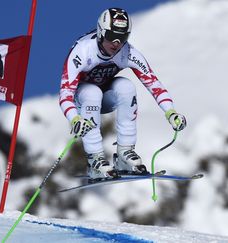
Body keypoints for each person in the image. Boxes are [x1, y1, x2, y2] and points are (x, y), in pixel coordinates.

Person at [59, 8, 186, 179]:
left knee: (126, 87)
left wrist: (170, 112)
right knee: (92, 91)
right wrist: (74, 118)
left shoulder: (128, 52)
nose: (117, 43)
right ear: (101, 33)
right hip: (83, 98)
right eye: (112, 36)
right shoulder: (82, 51)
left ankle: (125, 153)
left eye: (123, 37)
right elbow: (65, 94)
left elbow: (154, 84)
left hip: (107, 97)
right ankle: (95, 160)